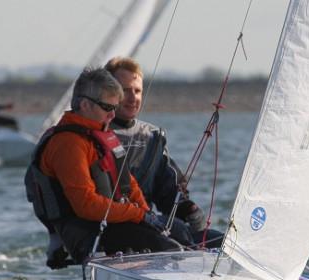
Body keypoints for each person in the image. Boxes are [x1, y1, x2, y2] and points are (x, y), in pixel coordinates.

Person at [25, 67, 188, 267]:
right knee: (170, 250)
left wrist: (148, 215)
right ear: (85, 104)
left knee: (181, 232)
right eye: (107, 107)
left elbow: (130, 184)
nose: (113, 115)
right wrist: (138, 215)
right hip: (88, 232)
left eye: (115, 107)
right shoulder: (68, 144)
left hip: (115, 223)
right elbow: (86, 206)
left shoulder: (102, 136)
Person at [105, 57, 223, 248]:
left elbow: (167, 189)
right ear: (108, 92)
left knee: (223, 243)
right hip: (112, 227)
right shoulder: (96, 134)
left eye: (137, 91)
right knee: (178, 234)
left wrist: (187, 208)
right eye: (125, 90)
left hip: (148, 225)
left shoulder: (153, 136)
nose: (132, 97)